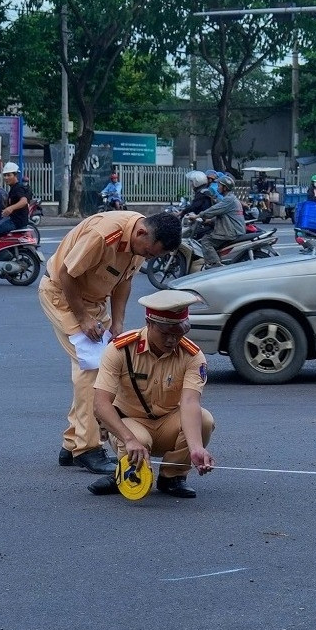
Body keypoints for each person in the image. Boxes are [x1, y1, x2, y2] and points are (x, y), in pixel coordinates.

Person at [41, 210, 182, 475]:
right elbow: (67, 274)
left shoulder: (140, 243)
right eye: (150, 253)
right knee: (93, 369)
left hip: (95, 304)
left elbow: (123, 283)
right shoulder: (104, 235)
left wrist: (117, 323)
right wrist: (82, 319)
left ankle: (72, 444)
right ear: (141, 233)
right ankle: (87, 448)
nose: (148, 258)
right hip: (62, 297)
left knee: (109, 365)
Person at [87, 289, 216, 500]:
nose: (172, 340)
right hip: (131, 423)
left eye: (179, 333)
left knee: (204, 419)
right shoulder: (121, 349)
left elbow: (190, 402)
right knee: (138, 438)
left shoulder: (193, 356)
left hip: (168, 423)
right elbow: (100, 404)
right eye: (166, 333)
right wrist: (128, 439)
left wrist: (196, 449)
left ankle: (172, 476)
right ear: (149, 324)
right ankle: (125, 471)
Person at [191, 173, 245, 267]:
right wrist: (209, 221)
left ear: (225, 188)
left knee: (206, 241)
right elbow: (224, 216)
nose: (217, 187)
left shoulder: (228, 200)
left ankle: (215, 264)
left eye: (219, 185)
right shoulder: (231, 199)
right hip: (234, 229)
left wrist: (197, 216)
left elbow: (214, 210)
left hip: (231, 231)